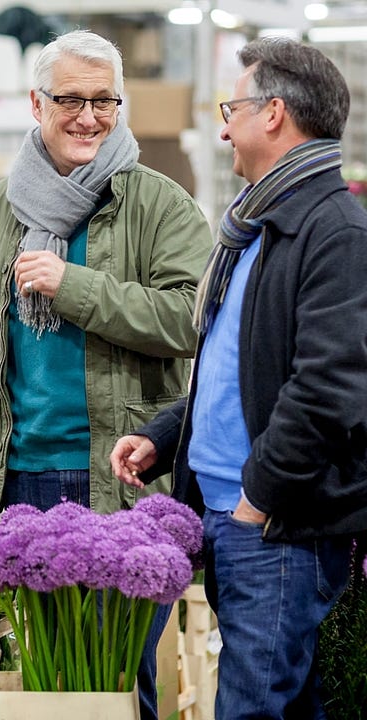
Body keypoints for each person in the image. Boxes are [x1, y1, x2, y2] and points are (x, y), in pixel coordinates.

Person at [0, 29, 212, 719]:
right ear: (37, 104)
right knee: (45, 684)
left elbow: (193, 322)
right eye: (71, 99)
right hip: (24, 479)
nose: (89, 117)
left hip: (122, 481)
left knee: (116, 682)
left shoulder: (160, 205)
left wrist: (75, 288)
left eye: (105, 101)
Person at [110, 37, 367, 720]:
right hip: (236, 520)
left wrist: (258, 496)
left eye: (234, 108)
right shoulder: (259, 228)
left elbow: (329, 390)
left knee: (252, 707)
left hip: (277, 527)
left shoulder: (332, 230)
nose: (223, 127)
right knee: (286, 702)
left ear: (275, 113)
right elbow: (237, 371)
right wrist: (165, 435)